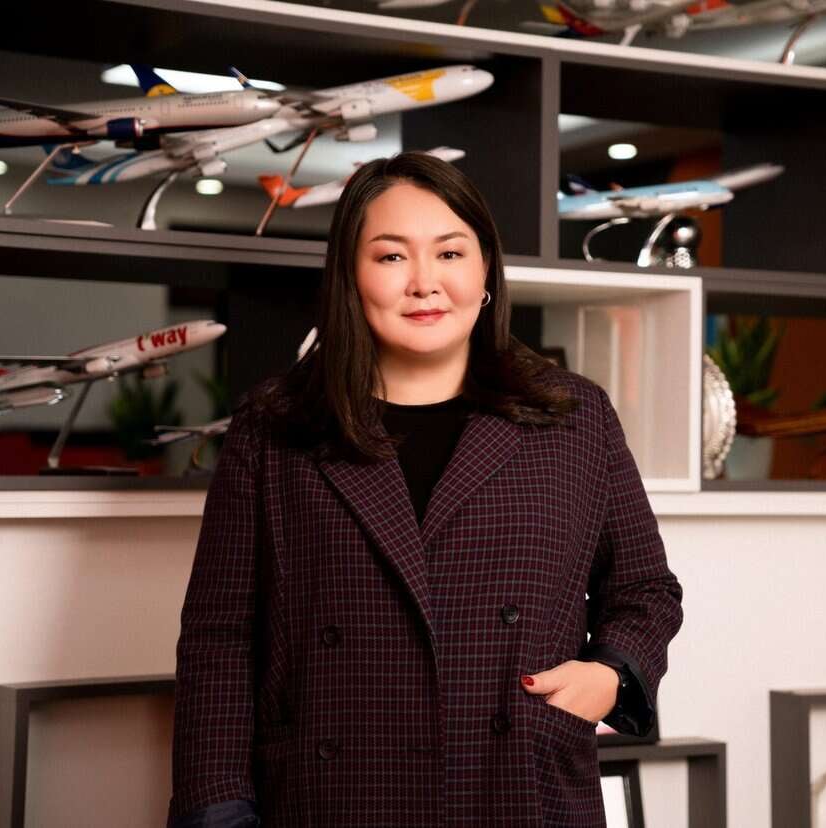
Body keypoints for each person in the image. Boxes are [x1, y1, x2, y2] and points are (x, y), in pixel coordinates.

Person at [166, 151, 684, 826]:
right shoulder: (275, 426)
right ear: (350, 277)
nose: (425, 284)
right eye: (390, 257)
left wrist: (609, 676)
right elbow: (219, 637)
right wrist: (218, 810)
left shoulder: (573, 416)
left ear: (486, 272)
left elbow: (646, 588)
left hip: (517, 789)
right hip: (330, 801)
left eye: (450, 253)